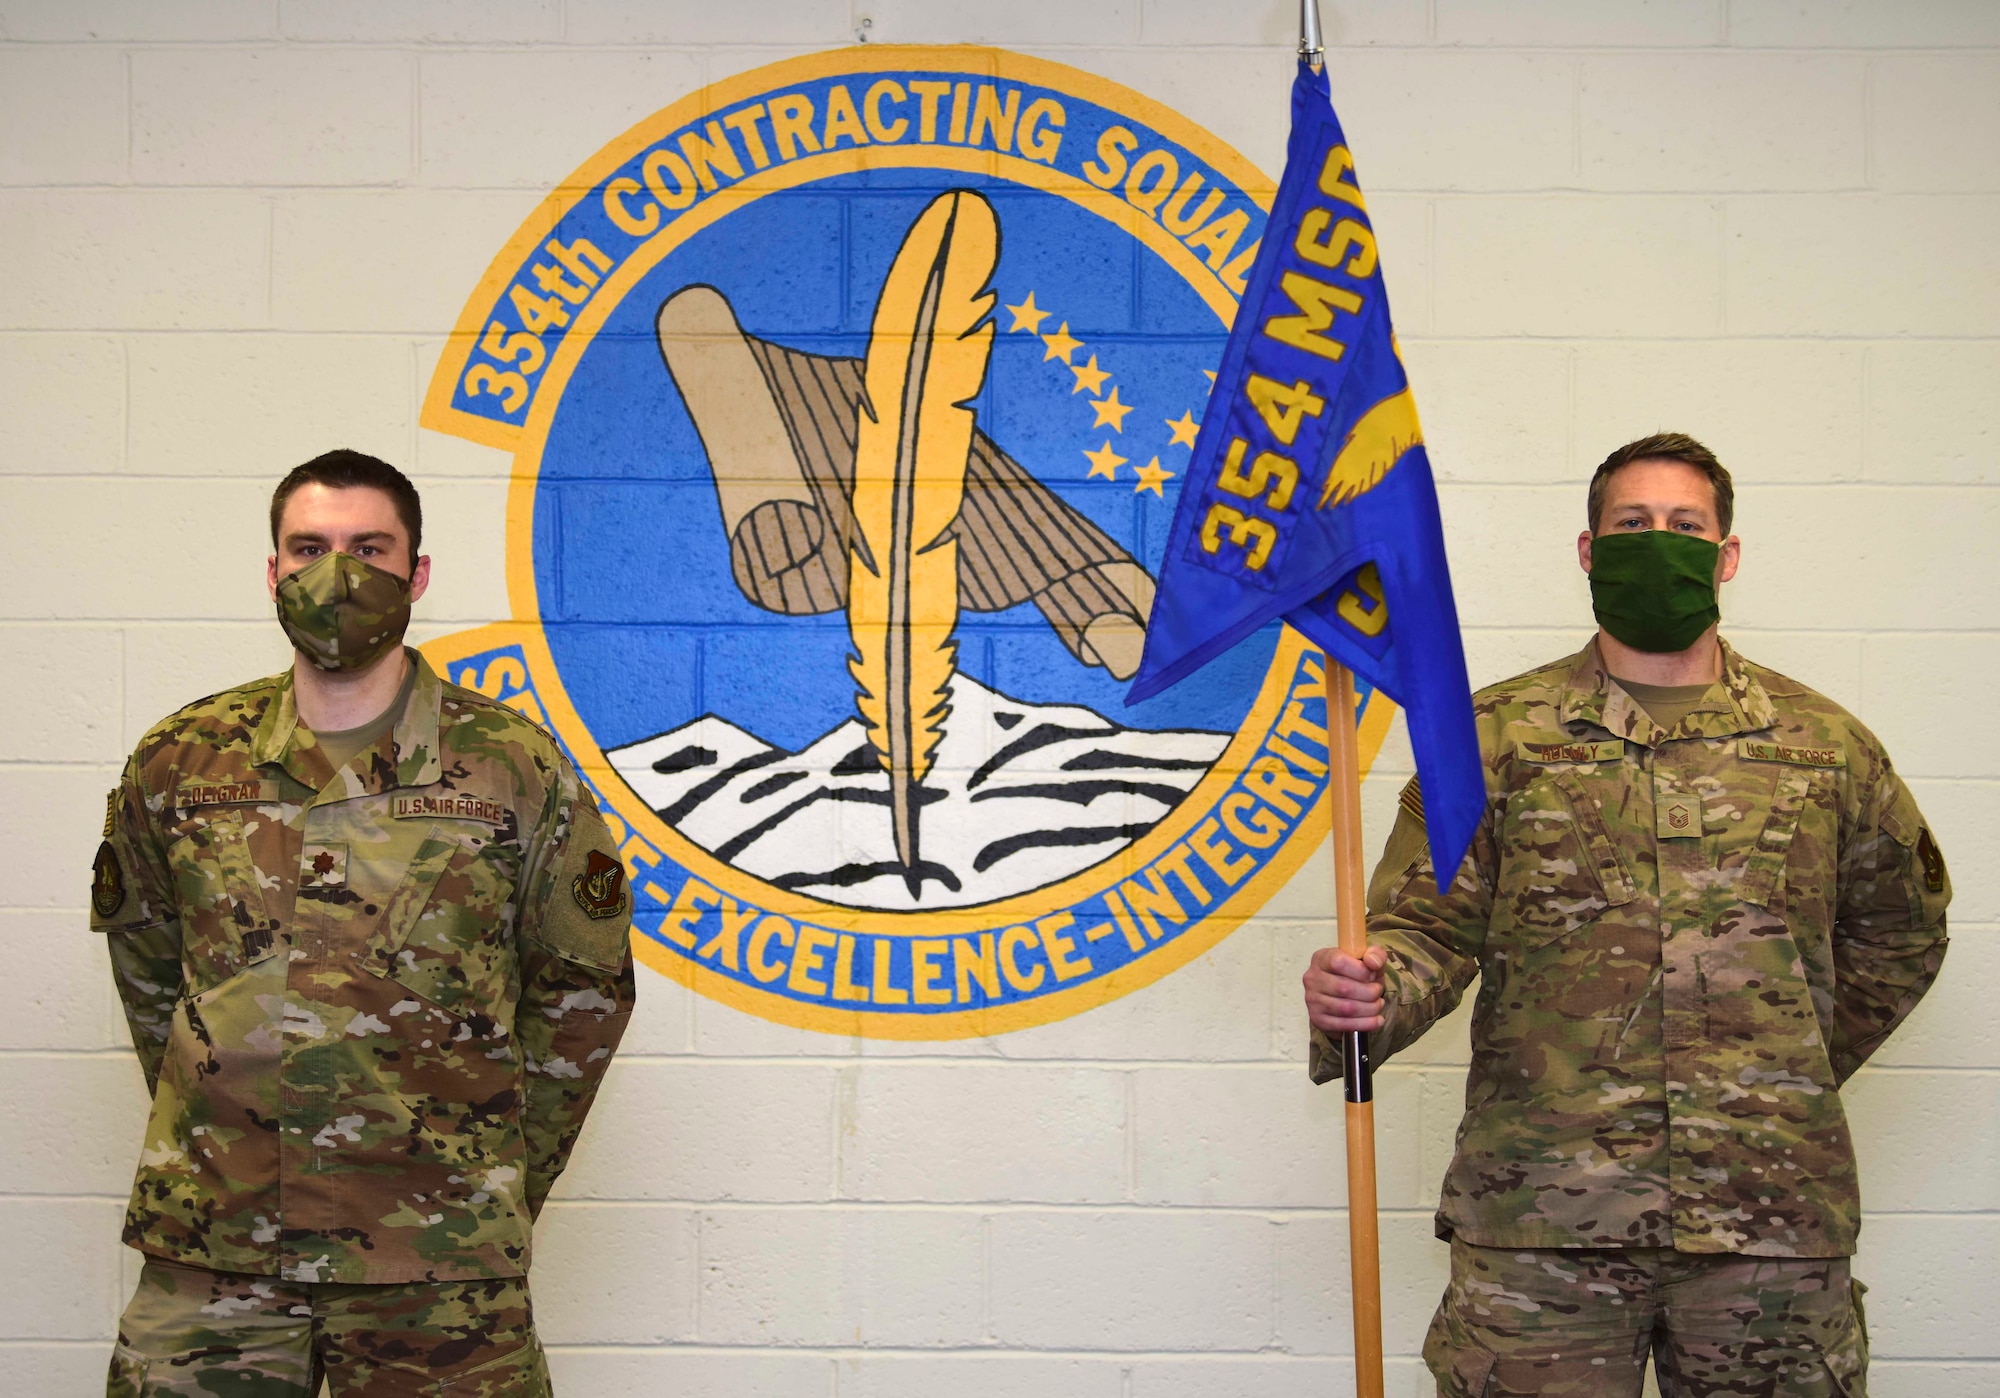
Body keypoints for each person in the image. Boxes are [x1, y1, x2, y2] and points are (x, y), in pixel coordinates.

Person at [1302, 433, 1949, 1397]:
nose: (1659, 541)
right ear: (1589, 550)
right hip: (1541, 1226)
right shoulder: (1495, 737)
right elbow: (1427, 932)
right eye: (1631, 524)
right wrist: (1368, 991)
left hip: (1767, 1225)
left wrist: (1781, 1068)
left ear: (1726, 555)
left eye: (1685, 526)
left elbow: (1901, 933)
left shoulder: (1826, 748)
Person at [91, 450, 635, 1396]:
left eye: (370, 549)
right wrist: (228, 1121)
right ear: (272, 570)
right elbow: (152, 978)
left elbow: (584, 996)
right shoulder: (181, 761)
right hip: (216, 1252)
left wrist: (488, 1180)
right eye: (308, 547)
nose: (336, 575)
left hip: (440, 1267)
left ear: (416, 574)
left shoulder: (510, 767)